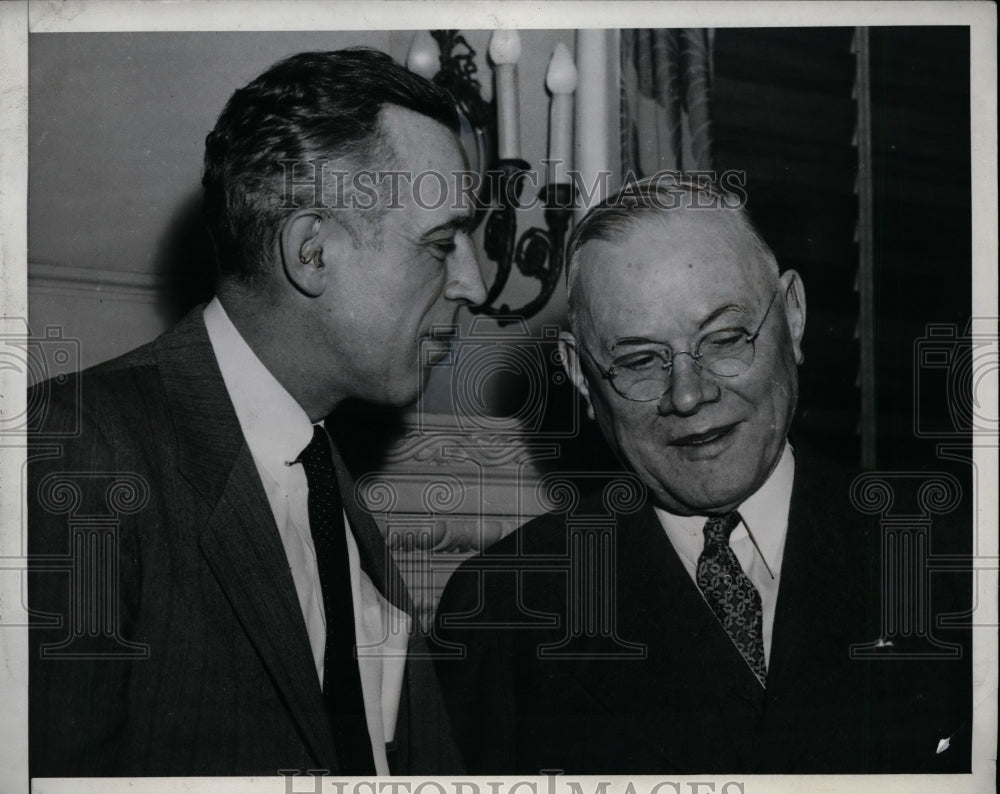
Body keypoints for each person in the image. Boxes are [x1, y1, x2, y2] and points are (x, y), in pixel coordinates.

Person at [29, 48, 486, 777]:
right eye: (441, 244)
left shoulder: (325, 477)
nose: (474, 281)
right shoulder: (75, 446)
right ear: (311, 253)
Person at [433, 178, 971, 774]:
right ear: (581, 375)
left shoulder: (953, 554)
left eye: (724, 340)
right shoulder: (503, 610)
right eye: (639, 361)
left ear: (792, 317)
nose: (688, 396)